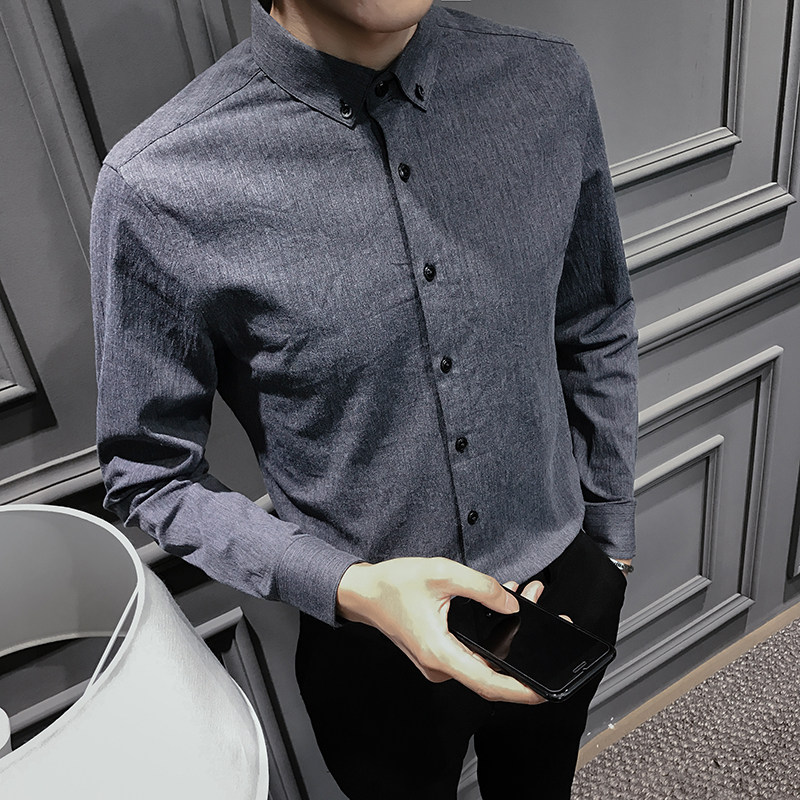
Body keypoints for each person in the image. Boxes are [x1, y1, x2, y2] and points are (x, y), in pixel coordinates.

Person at [90, 0, 638, 797]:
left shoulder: (547, 82)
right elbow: (149, 473)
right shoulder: (158, 184)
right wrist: (350, 589)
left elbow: (595, 320)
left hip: (564, 594)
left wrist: (611, 542)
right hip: (367, 654)